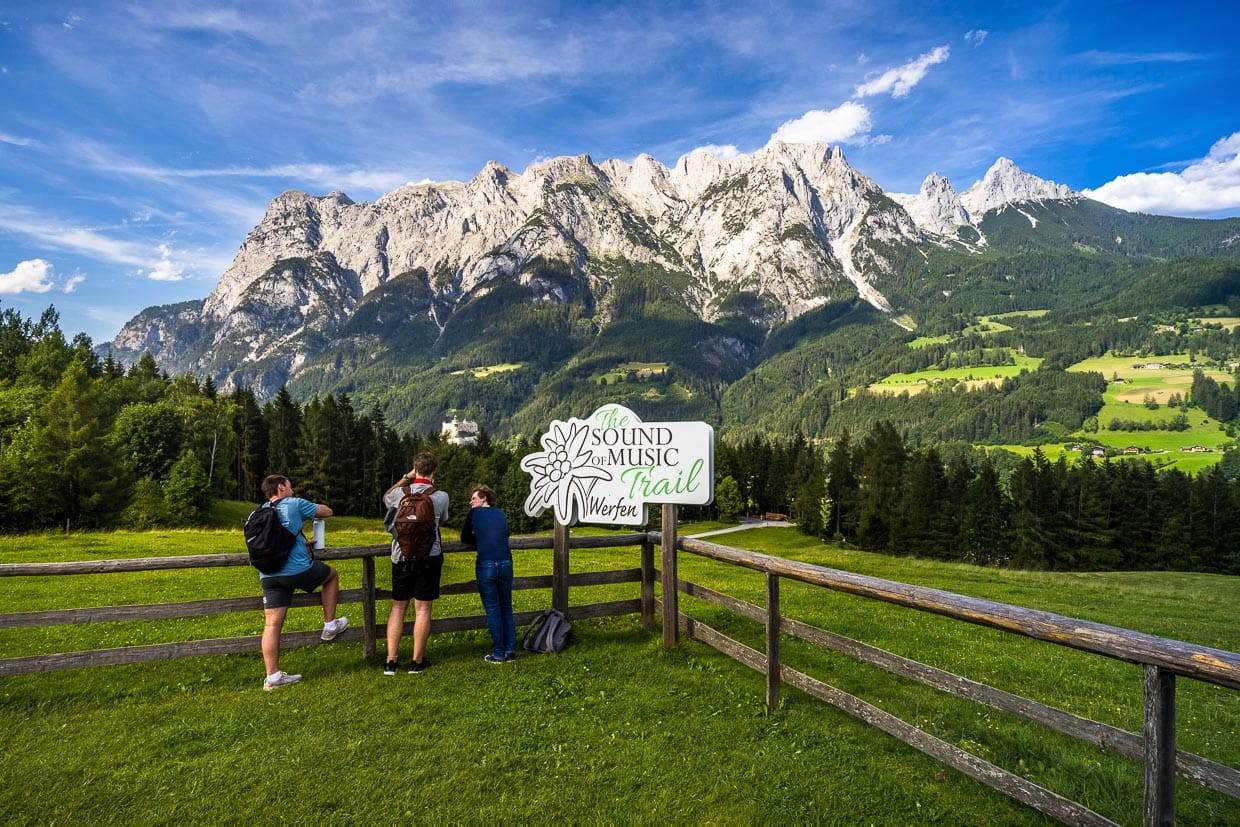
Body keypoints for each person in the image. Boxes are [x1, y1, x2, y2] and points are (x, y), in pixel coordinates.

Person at [256, 474, 348, 690]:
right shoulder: (294, 504)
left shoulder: (260, 510)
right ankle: (329, 626)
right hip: (296, 570)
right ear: (281, 487)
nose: (293, 490)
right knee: (331, 575)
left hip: (268, 574)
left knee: (271, 625)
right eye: (290, 486)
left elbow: (278, 537)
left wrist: (302, 543)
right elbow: (327, 512)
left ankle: (273, 677)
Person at [382, 452, 449, 675]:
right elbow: (444, 519)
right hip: (429, 557)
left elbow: (385, 497)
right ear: (434, 471)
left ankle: (391, 661)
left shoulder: (399, 494)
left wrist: (406, 478)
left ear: (415, 469)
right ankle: (416, 661)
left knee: (398, 607)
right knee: (422, 609)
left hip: (400, 556)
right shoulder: (440, 497)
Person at [461, 484, 515, 663]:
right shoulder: (501, 514)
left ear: (484, 498)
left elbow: (464, 537)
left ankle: (498, 653)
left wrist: (479, 538)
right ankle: (510, 650)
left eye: (474, 498)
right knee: (506, 606)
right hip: (506, 562)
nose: (471, 502)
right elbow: (506, 533)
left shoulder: (474, 514)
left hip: (487, 563)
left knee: (492, 609)